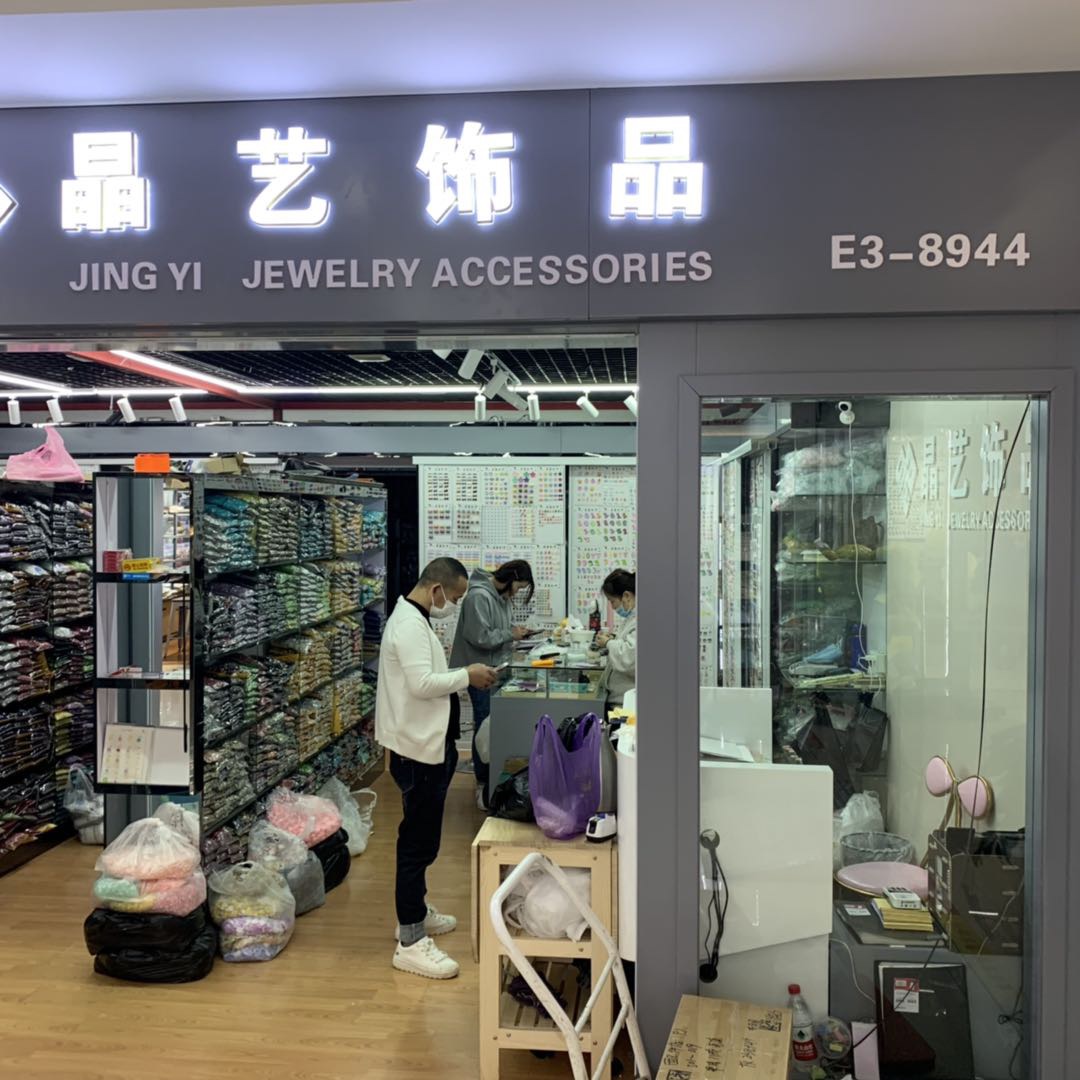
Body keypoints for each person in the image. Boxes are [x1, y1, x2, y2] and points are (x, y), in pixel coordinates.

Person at [376, 557, 498, 979]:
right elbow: (422, 684)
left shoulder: (415, 618)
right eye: (456, 597)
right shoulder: (409, 625)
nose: (455, 605)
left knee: (424, 839)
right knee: (416, 843)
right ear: (436, 590)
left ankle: (416, 912)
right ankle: (410, 940)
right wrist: (467, 675)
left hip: (429, 746)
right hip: (417, 752)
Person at [449, 559, 536, 807]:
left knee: (493, 726)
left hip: (497, 670)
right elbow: (480, 637)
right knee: (484, 728)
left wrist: (516, 633)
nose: (517, 593)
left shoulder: (501, 597)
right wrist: (511, 634)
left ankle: (494, 779)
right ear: (511, 578)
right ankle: (483, 784)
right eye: (518, 587)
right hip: (480, 673)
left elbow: (500, 629)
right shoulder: (478, 596)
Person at [595, 568, 636, 709]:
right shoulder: (631, 618)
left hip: (625, 701)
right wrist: (613, 639)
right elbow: (626, 642)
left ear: (626, 596)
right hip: (619, 696)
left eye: (612, 601)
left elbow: (629, 658)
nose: (612, 607)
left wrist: (608, 642)